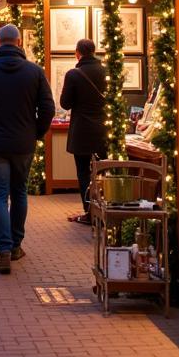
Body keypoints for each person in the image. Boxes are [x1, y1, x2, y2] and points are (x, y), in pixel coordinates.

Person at [0, 23, 54, 274]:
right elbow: (47, 107)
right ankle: (16, 245)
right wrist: (36, 131)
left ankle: (3, 249)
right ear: (18, 43)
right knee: (20, 192)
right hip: (24, 142)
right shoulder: (34, 71)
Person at [59, 39, 107, 226]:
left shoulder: (74, 75)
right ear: (94, 51)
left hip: (81, 131)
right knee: (103, 170)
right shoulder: (106, 71)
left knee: (83, 173)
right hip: (103, 128)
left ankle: (88, 211)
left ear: (77, 53)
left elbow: (65, 103)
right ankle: (103, 209)